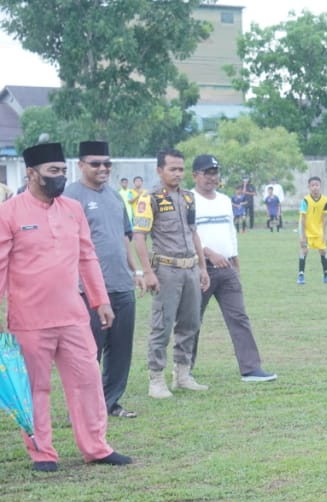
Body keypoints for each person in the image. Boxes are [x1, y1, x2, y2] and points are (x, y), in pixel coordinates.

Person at [0, 141, 132, 471]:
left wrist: (100, 300)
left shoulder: (72, 210)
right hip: (29, 319)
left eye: (63, 171)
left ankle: (96, 447)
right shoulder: (10, 213)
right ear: (32, 173)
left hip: (74, 315)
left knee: (87, 381)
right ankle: (42, 452)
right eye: (52, 172)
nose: (59, 177)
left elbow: (88, 256)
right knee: (36, 388)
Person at [64, 141, 144, 419]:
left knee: (121, 350)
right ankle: (86, 408)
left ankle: (110, 402)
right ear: (81, 165)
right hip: (87, 290)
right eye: (96, 163)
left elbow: (124, 237)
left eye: (107, 163)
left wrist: (137, 272)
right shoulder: (69, 197)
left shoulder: (114, 196)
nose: (102, 168)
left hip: (121, 285)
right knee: (89, 352)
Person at [189, 154, 277, 383]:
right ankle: (183, 369)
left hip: (226, 267)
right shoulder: (188, 200)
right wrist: (208, 254)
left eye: (214, 173)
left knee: (239, 317)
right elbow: (187, 235)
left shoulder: (225, 200)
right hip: (201, 268)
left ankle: (251, 368)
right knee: (192, 320)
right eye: (206, 173)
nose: (211, 177)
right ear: (195, 175)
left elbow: (230, 232)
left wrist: (235, 260)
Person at [132, 149, 211, 398]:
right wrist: (147, 272)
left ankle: (182, 374)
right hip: (165, 269)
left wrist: (202, 267)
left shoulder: (188, 197)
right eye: (172, 169)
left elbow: (193, 232)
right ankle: (156, 378)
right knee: (162, 326)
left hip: (190, 268)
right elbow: (139, 236)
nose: (177, 173)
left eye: (180, 169)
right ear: (159, 170)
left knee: (191, 323)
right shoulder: (150, 198)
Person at [297, 176, 327, 284]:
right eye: (312, 185)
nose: (315, 187)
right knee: (304, 250)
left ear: (320, 186)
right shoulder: (305, 200)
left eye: (317, 185)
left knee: (323, 250)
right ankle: (301, 277)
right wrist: (303, 235)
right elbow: (302, 218)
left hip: (318, 229)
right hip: (306, 229)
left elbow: (325, 218)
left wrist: (325, 234)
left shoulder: (325, 200)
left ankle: (326, 276)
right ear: (309, 187)